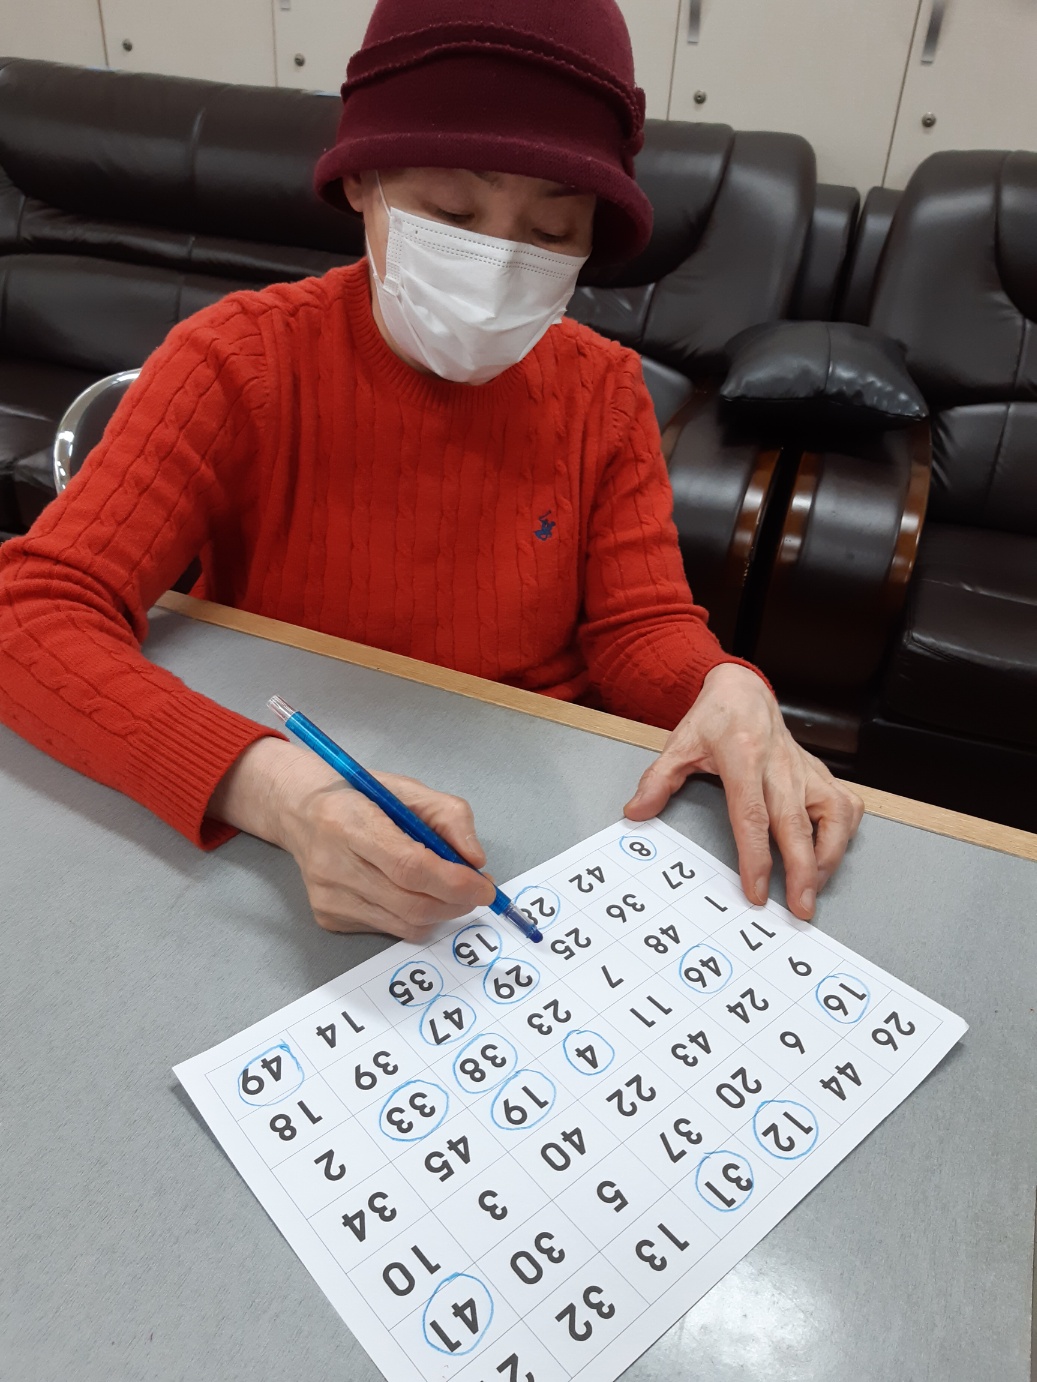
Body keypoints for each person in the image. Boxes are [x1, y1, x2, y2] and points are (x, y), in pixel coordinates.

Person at [0, 0, 862, 941]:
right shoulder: (239, 362)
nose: (497, 268)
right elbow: (31, 613)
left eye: (552, 231)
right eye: (452, 213)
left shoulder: (604, 391)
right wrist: (276, 789)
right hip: (289, 796)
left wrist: (722, 686)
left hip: (532, 806)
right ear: (360, 179)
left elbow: (636, 623)